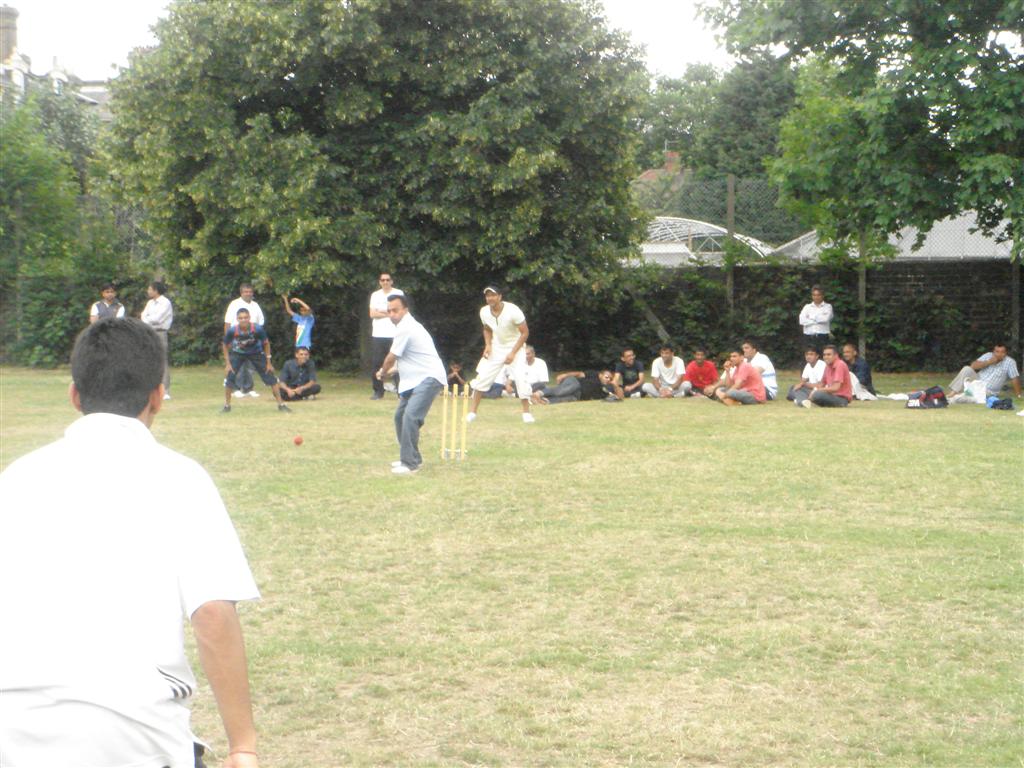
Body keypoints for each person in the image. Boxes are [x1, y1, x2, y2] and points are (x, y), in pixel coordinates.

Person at [0, 318, 260, 768]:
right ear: (157, 396)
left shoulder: (16, 478)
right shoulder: (182, 478)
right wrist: (243, 745)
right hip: (136, 739)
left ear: (75, 395)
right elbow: (213, 614)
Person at [376, 294, 447, 474]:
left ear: (405, 310)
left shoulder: (406, 327)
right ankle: (411, 457)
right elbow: (406, 359)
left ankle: (410, 464)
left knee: (410, 417)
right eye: (389, 311)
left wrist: (383, 372)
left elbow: (391, 357)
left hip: (429, 378)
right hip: (415, 379)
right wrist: (389, 371)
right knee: (400, 417)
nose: (392, 314)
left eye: (396, 310)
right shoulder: (405, 327)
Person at [466, 285, 534, 423]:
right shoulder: (484, 311)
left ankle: (526, 413)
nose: (490, 298)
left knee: (521, 379)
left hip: (516, 346)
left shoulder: (513, 310)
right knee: (482, 377)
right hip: (497, 347)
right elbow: (487, 329)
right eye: (488, 295)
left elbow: (525, 332)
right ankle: (472, 413)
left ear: (500, 297)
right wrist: (488, 345)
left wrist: (513, 353)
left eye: (493, 295)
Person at [221, 308, 289, 413]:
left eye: (245, 317)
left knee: (271, 376)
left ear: (249, 318)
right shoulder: (233, 330)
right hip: (238, 353)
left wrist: (269, 363)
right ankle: (227, 406)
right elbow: (225, 344)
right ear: (237, 319)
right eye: (241, 318)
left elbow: (266, 343)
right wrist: (228, 363)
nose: (243, 320)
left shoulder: (257, 329)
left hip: (256, 353)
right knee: (229, 378)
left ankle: (281, 404)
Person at [224, 284, 265, 399]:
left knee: (250, 365)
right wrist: (228, 339)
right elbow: (227, 322)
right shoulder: (234, 304)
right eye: (246, 292)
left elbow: (260, 322)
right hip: (237, 337)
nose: (248, 293)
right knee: (238, 364)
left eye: (250, 291)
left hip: (252, 339)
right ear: (241, 293)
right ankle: (236, 388)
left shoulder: (255, 305)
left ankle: (248, 388)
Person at [368, 272, 404, 400]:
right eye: (382, 280)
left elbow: (401, 313)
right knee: (377, 363)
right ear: (379, 282)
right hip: (378, 335)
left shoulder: (398, 293)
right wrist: (389, 313)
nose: (385, 282)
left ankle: (401, 392)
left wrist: (383, 311)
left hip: (395, 334)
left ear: (392, 281)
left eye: (387, 280)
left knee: (399, 363)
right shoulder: (375, 295)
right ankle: (378, 391)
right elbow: (372, 314)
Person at [947, 343, 1022, 399]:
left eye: (1002, 352)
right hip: (977, 381)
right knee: (967, 368)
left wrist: (1018, 395)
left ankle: (960, 395)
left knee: (969, 396)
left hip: (988, 391)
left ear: (1005, 353)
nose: (999, 354)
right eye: (997, 351)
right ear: (993, 352)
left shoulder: (1010, 362)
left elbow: (1014, 378)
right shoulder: (988, 355)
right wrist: (989, 362)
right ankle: (953, 393)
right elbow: (973, 366)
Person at [140, 280, 173, 400]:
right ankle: (151, 389)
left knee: (162, 361)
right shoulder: (150, 303)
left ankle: (165, 391)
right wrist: (147, 319)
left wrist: (147, 319)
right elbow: (143, 315)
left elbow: (158, 319)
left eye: (150, 289)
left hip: (160, 332)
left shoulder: (165, 303)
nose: (148, 291)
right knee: (149, 360)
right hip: (148, 332)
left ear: (156, 290)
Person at [531, 369, 623, 404]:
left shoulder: (609, 388)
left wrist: (616, 385)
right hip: (575, 383)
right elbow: (579, 374)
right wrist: (565, 375)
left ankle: (543, 401)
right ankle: (539, 393)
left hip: (578, 396)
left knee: (563, 399)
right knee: (561, 391)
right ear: (600, 375)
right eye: (606, 377)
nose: (608, 379)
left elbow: (620, 397)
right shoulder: (594, 374)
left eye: (610, 378)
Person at [798, 285, 833, 351]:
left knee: (823, 358)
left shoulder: (828, 307)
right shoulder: (807, 307)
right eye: (814, 295)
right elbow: (802, 321)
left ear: (822, 295)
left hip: (822, 337)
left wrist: (810, 317)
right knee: (809, 358)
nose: (816, 297)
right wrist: (817, 319)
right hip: (808, 337)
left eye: (818, 295)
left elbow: (825, 319)